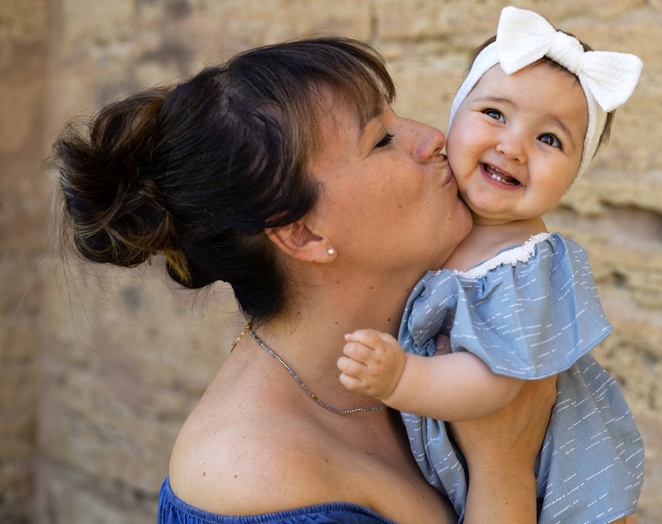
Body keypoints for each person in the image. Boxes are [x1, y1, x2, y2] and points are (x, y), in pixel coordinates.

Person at [53, 36, 559, 523]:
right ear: (302, 235)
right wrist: (503, 468)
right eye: (381, 139)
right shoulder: (251, 482)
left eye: (394, 115)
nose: (432, 138)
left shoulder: (447, 336)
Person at [338, 7, 644, 523]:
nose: (513, 146)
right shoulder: (443, 226)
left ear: (574, 176)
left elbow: (497, 381)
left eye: (549, 139)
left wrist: (402, 378)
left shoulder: (524, 263)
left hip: (557, 483)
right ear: (453, 119)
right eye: (494, 115)